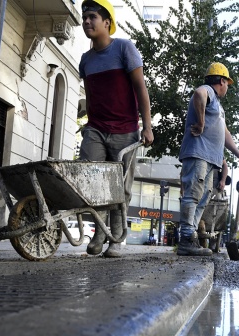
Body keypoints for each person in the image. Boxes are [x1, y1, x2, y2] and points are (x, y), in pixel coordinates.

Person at [79, 0, 154, 258]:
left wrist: (147, 125)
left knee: (119, 188)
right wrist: (88, 123)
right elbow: (89, 95)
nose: (86, 21)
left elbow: (140, 88)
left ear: (107, 23)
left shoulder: (124, 48)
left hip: (125, 130)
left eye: (91, 17)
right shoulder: (85, 60)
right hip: (96, 130)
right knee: (92, 182)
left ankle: (116, 240)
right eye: (84, 17)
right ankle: (99, 233)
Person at [177, 62, 239, 256]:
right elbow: (198, 94)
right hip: (198, 153)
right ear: (221, 81)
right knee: (193, 195)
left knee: (202, 198)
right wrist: (200, 123)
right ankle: (185, 238)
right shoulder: (207, 91)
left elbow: (225, 134)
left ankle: (189, 238)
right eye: (227, 83)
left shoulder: (218, 106)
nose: (227, 87)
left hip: (211, 159)